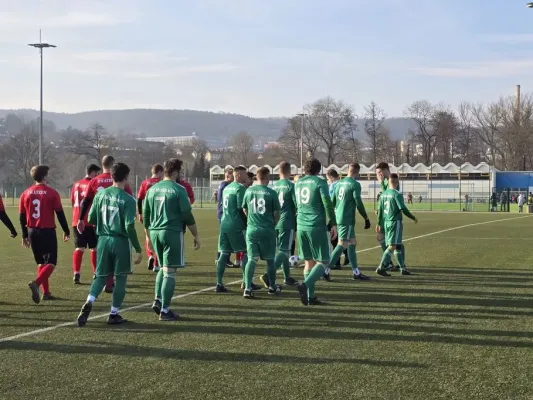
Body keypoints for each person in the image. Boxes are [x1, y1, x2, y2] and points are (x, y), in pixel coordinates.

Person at [77, 163, 142, 326]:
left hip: (103, 240)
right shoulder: (128, 199)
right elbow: (129, 226)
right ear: (126, 177)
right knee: (120, 279)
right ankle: (113, 314)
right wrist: (138, 248)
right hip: (120, 241)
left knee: (101, 276)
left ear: (111, 176)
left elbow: (90, 219)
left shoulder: (100, 195)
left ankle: (89, 301)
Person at [143, 158, 201, 321]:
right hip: (171, 232)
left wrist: (147, 235)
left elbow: (145, 215)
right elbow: (187, 215)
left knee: (162, 267)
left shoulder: (152, 189)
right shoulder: (179, 189)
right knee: (170, 272)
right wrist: (195, 234)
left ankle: (158, 299)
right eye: (180, 172)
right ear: (175, 172)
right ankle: (165, 310)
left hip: (154, 231)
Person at [77, 155, 133, 293]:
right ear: (113, 164)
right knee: (117, 253)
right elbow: (130, 198)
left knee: (103, 251)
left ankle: (104, 280)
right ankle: (110, 280)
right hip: (118, 223)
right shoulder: (121, 181)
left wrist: (80, 219)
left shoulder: (95, 180)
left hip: (100, 223)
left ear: (102, 164)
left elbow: (85, 201)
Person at [20, 165, 70, 303]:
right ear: (44, 176)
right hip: (47, 231)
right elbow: (60, 214)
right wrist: (66, 230)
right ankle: (36, 283)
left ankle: (46, 293)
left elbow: (22, 217)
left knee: (41, 262)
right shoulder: (52, 193)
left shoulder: (25, 193)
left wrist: (24, 235)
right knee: (51, 262)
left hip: (32, 231)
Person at [294, 158, 337, 306]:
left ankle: (310, 296)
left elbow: (296, 203)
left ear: (305, 169)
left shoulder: (298, 183)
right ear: (319, 170)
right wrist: (333, 223)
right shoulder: (320, 182)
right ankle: (305, 285)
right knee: (324, 261)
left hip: (301, 225)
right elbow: (328, 204)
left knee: (309, 261)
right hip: (316, 226)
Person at [242, 167, 281, 298]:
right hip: (267, 229)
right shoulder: (271, 193)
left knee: (252, 259)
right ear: (267, 177)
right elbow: (277, 214)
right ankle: (271, 287)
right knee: (270, 260)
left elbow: (244, 209)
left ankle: (247, 288)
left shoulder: (248, 191)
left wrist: (251, 220)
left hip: (252, 229)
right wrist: (273, 224)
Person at [331, 163, 372, 280]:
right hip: (347, 219)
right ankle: (325, 269)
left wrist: (332, 218)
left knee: (352, 243)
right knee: (342, 244)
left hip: (339, 217)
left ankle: (356, 272)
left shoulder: (337, 183)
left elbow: (332, 202)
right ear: (357, 172)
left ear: (348, 170)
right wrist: (366, 218)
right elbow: (358, 202)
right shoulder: (355, 184)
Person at [215, 166, 250, 292]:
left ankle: (219, 283)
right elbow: (242, 208)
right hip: (236, 225)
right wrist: (247, 222)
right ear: (239, 175)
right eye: (245, 174)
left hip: (224, 224)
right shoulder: (240, 188)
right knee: (246, 252)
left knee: (223, 254)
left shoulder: (227, 188)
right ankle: (246, 282)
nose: (246, 176)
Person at [264, 161, 298, 288]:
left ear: (279, 172)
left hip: (275, 222)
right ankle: (268, 275)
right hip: (287, 222)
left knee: (283, 250)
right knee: (284, 251)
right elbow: (296, 206)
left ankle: (287, 277)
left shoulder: (274, 186)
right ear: (289, 172)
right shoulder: (291, 186)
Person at [376, 173, 417, 277]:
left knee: (397, 245)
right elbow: (402, 208)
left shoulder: (383, 194)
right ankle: (381, 267)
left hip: (386, 222)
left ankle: (403, 268)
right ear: (397, 182)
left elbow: (380, 211)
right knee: (392, 246)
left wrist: (378, 223)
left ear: (388, 182)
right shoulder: (397, 194)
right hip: (395, 222)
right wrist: (413, 217)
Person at [71, 164, 101, 284]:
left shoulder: (76, 184)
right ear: (93, 172)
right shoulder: (93, 183)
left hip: (76, 219)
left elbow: (73, 201)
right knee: (94, 248)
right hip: (89, 220)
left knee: (79, 247)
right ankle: (96, 273)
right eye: (97, 173)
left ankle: (76, 273)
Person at [137, 164, 163, 271]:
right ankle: (156, 264)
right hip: (159, 213)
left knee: (148, 237)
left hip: (147, 213)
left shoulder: (145, 183)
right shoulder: (161, 183)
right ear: (160, 172)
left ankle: (150, 256)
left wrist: (140, 213)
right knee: (159, 238)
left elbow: (139, 199)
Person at [376, 162, 399, 271]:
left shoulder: (392, 180)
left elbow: (387, 195)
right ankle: (397, 264)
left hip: (390, 217)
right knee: (386, 240)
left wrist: (381, 183)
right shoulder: (386, 180)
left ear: (386, 169)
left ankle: (388, 263)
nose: (379, 174)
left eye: (380, 172)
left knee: (390, 241)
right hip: (385, 215)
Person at [323, 168, 347, 280]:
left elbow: (329, 200)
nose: (328, 181)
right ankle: (346, 255)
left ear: (331, 177)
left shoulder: (333, 186)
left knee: (335, 238)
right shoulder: (343, 183)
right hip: (343, 214)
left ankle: (337, 261)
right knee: (342, 238)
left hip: (336, 214)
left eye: (328, 179)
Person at [215, 167, 235, 268]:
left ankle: (223, 259)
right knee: (226, 237)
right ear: (228, 175)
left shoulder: (223, 184)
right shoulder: (226, 185)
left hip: (222, 212)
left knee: (226, 237)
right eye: (233, 175)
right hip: (224, 213)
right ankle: (221, 258)